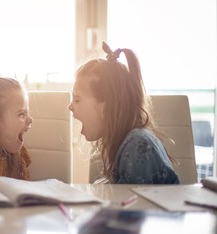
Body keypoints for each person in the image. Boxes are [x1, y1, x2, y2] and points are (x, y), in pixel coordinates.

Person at [68, 42, 179, 184]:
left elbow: (132, 203)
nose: (70, 107)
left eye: (77, 100)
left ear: (105, 109)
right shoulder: (128, 141)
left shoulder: (137, 145)